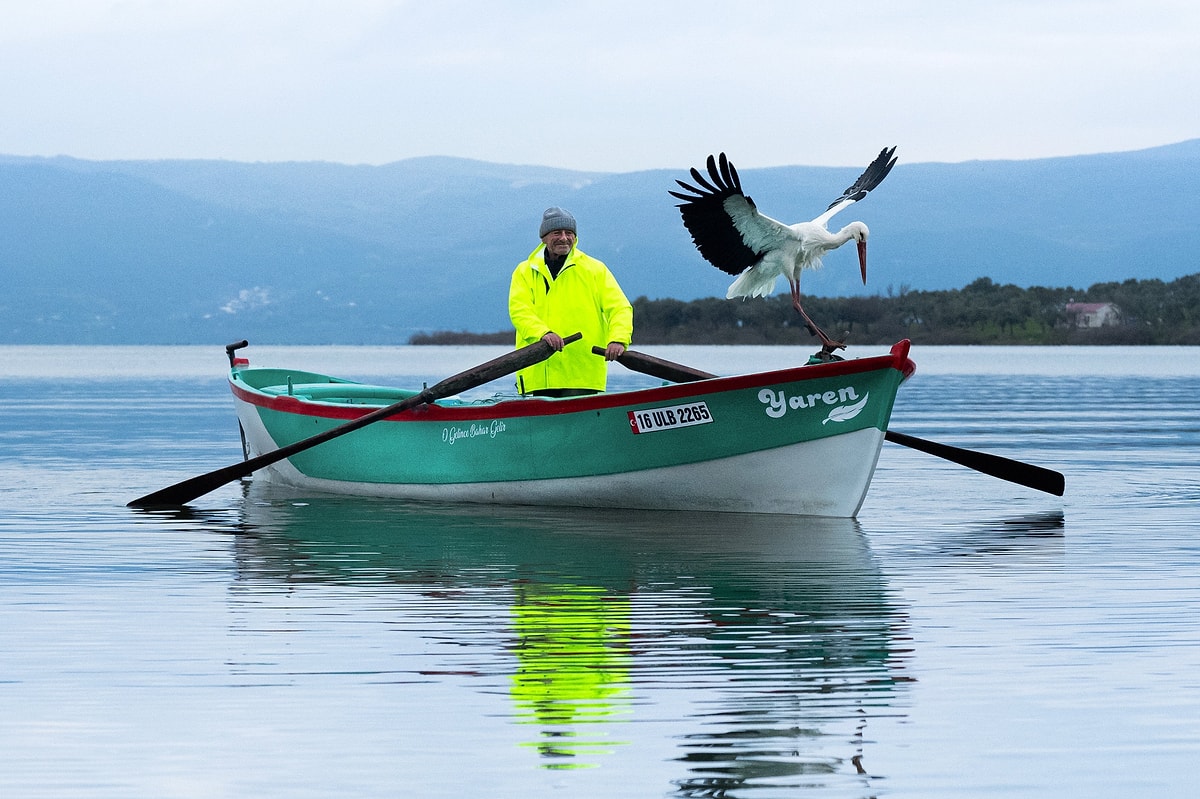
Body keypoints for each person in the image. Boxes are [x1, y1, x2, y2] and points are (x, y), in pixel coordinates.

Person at [508, 207, 633, 397]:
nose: (564, 238)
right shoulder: (524, 271)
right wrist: (543, 333)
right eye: (557, 233)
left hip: (582, 373)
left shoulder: (595, 269)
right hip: (537, 372)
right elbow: (519, 310)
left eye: (569, 233)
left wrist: (618, 339)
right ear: (543, 238)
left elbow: (619, 308)